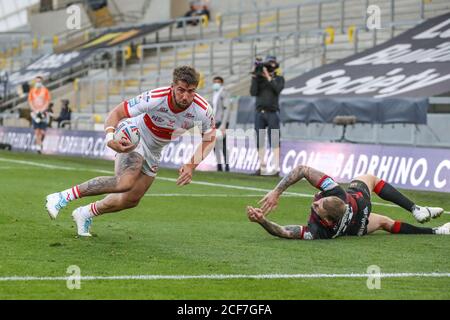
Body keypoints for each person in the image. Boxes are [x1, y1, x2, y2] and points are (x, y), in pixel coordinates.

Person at [45, 66, 216, 237]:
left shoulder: (202, 110)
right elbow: (117, 112)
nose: (186, 96)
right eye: (181, 90)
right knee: (125, 182)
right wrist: (110, 138)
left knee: (131, 200)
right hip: (135, 135)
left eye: (191, 91)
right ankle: (61, 197)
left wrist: (191, 165)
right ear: (172, 87)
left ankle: (85, 213)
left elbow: (210, 137)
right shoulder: (155, 97)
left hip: (155, 150)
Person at [247, 165, 449, 239]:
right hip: (360, 207)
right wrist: (275, 194)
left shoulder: (318, 231)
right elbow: (302, 170)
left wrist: (262, 219)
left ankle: (433, 227)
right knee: (370, 179)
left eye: (318, 204)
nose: (315, 203)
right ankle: (419, 213)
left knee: (385, 222)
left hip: (354, 226)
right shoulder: (336, 194)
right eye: (319, 202)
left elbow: (283, 232)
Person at [250, 55, 285, 176]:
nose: (269, 65)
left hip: (272, 113)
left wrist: (268, 77)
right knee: (259, 139)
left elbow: (277, 89)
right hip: (260, 112)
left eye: (272, 63)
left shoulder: (279, 78)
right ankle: (262, 166)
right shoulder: (259, 79)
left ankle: (276, 168)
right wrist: (255, 77)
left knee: (274, 139)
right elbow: (253, 92)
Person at [211, 76, 231, 172]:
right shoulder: (214, 94)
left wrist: (224, 124)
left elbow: (227, 109)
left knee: (223, 144)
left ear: (222, 83)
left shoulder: (224, 93)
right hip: (215, 122)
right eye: (214, 82)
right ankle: (219, 166)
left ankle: (227, 166)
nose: (216, 84)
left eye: (218, 82)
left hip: (221, 122)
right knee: (214, 145)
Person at [28, 76, 51, 153]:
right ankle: (38, 147)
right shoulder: (32, 91)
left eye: (39, 81)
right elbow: (30, 102)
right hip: (35, 114)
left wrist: (42, 110)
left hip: (43, 113)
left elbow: (47, 102)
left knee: (42, 132)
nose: (38, 83)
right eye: (37, 81)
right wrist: (35, 110)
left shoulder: (45, 91)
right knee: (37, 131)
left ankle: (40, 142)